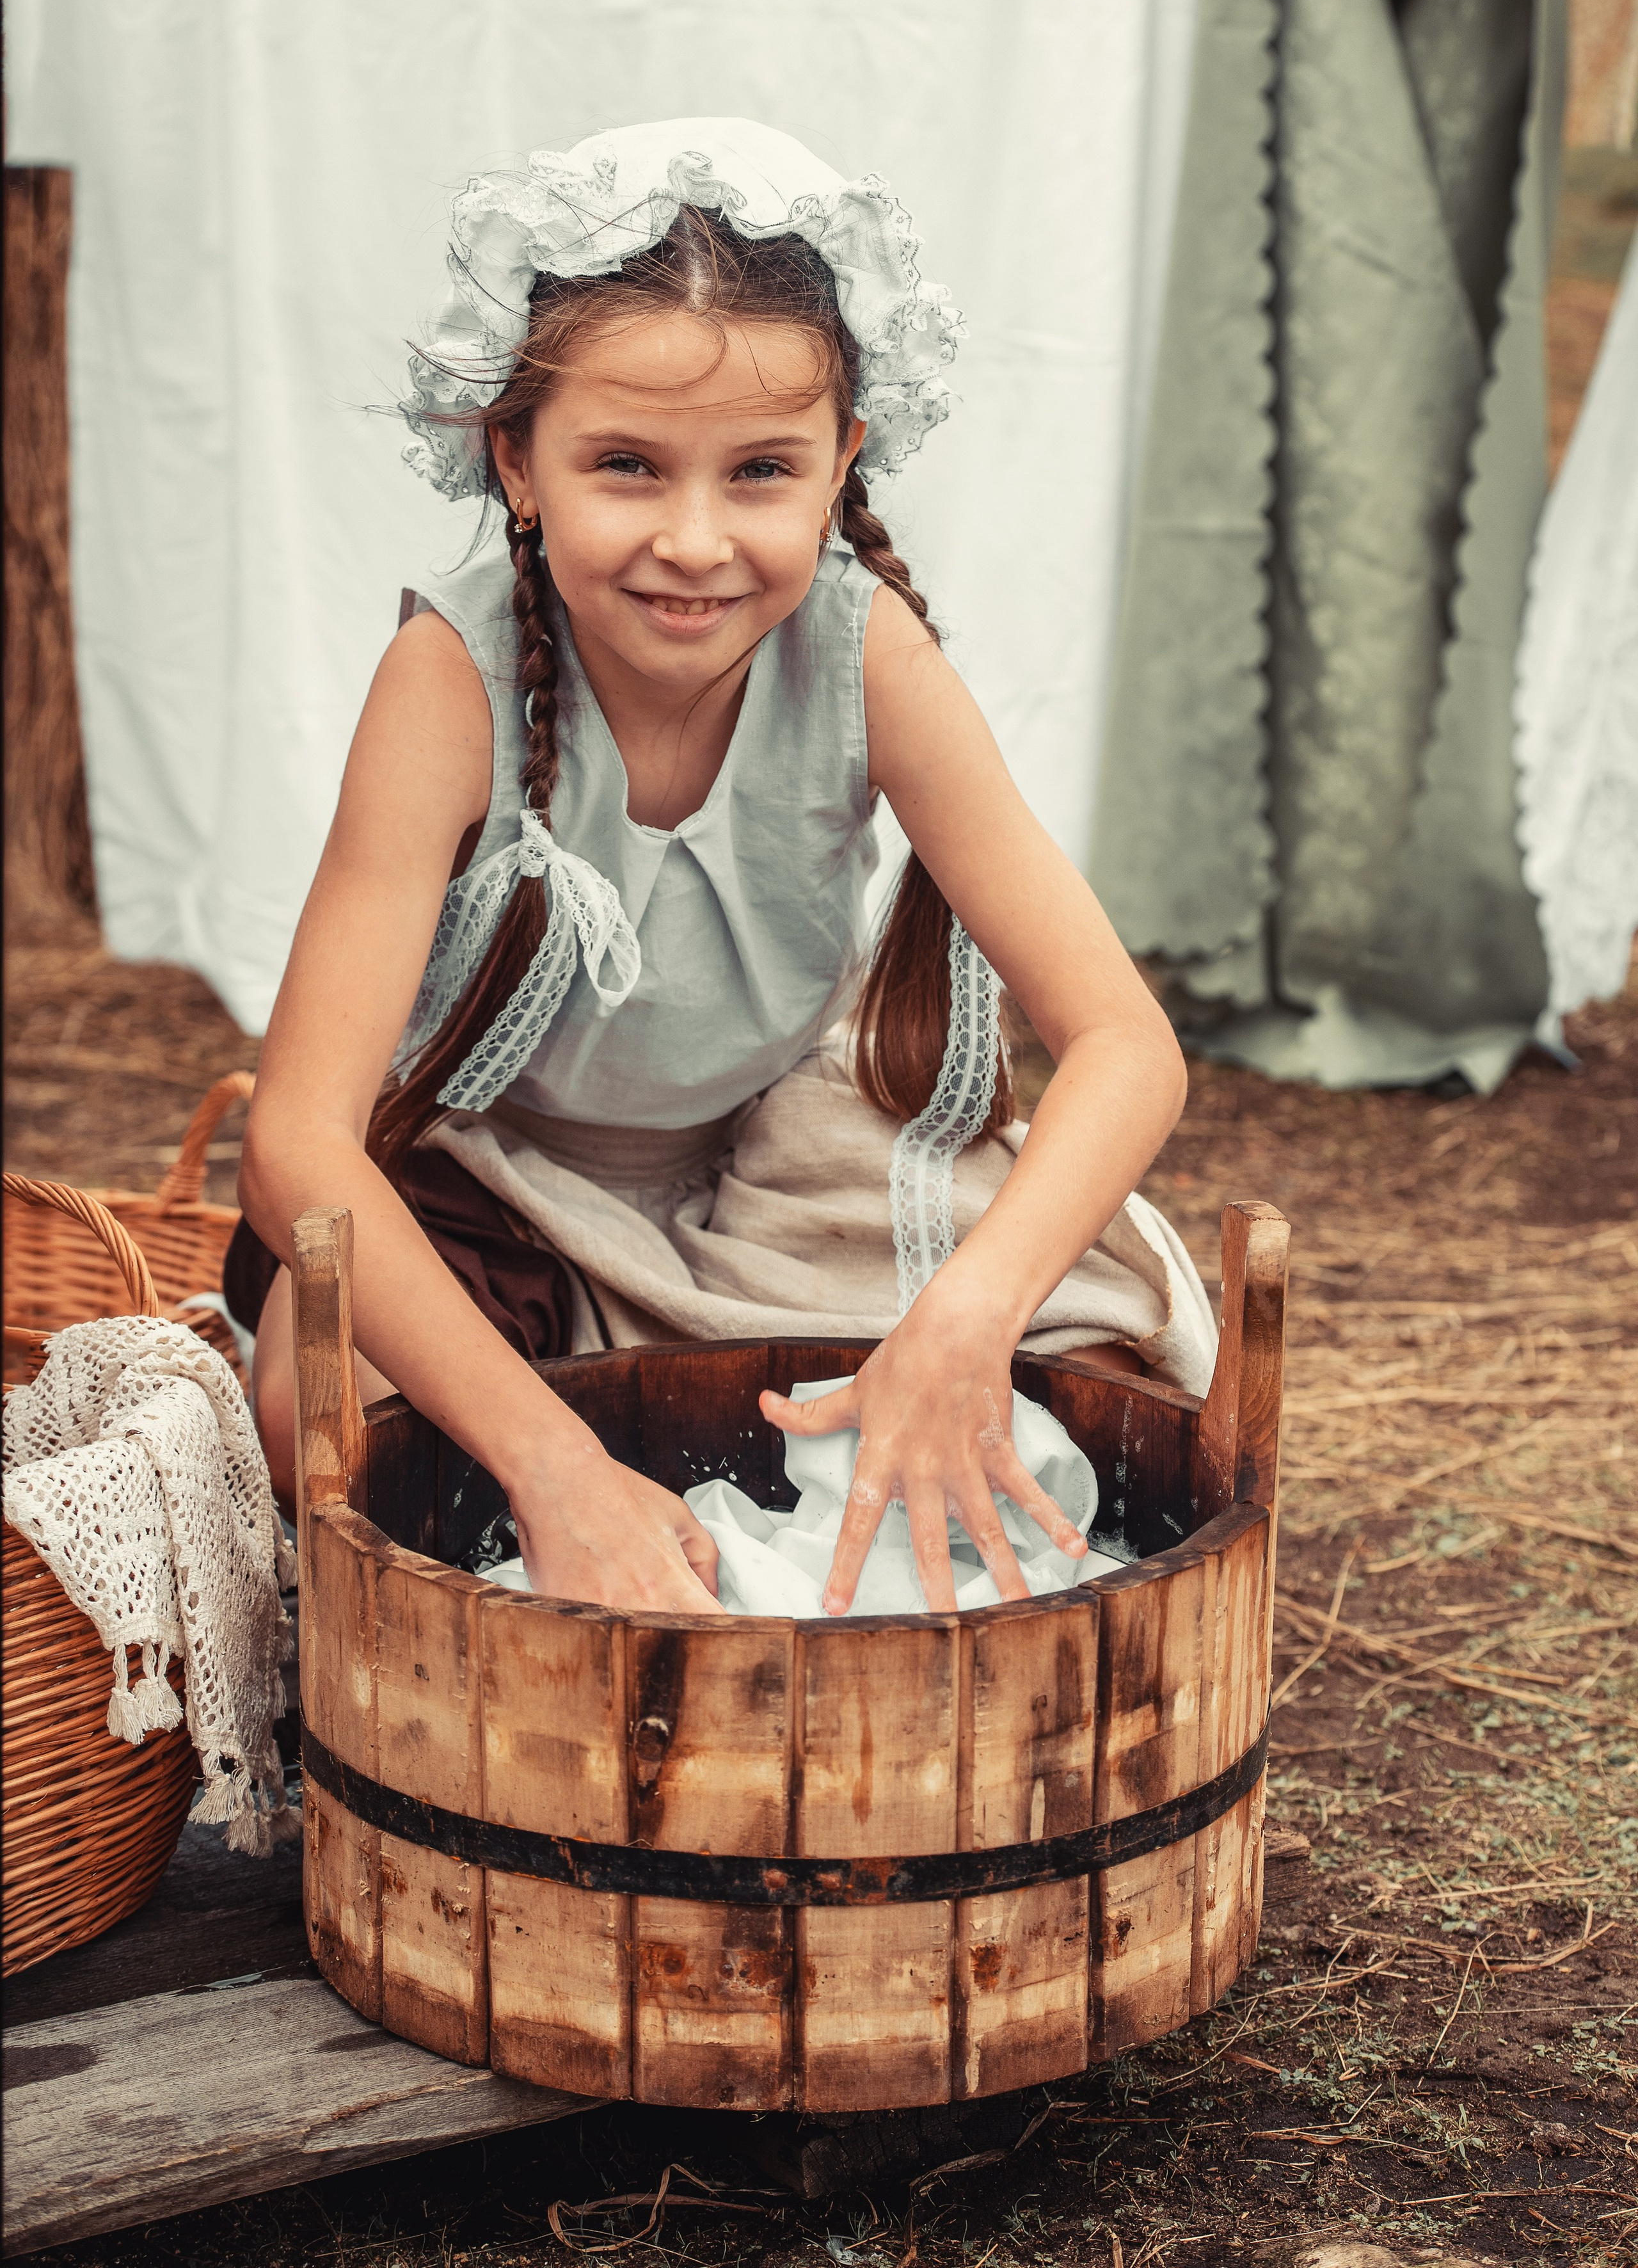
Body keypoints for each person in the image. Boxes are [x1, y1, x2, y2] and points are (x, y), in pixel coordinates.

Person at [231, 118, 1213, 1619]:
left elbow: (1126, 1046)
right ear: (516, 458)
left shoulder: (866, 650)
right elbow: (300, 1142)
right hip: (491, 1177)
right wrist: (553, 1464)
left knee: (1082, 1373)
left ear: (840, 466)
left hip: (763, 1161)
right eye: (624, 465)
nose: (694, 542)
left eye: (760, 470)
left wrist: (966, 1313)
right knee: (328, 1394)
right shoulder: (447, 680)